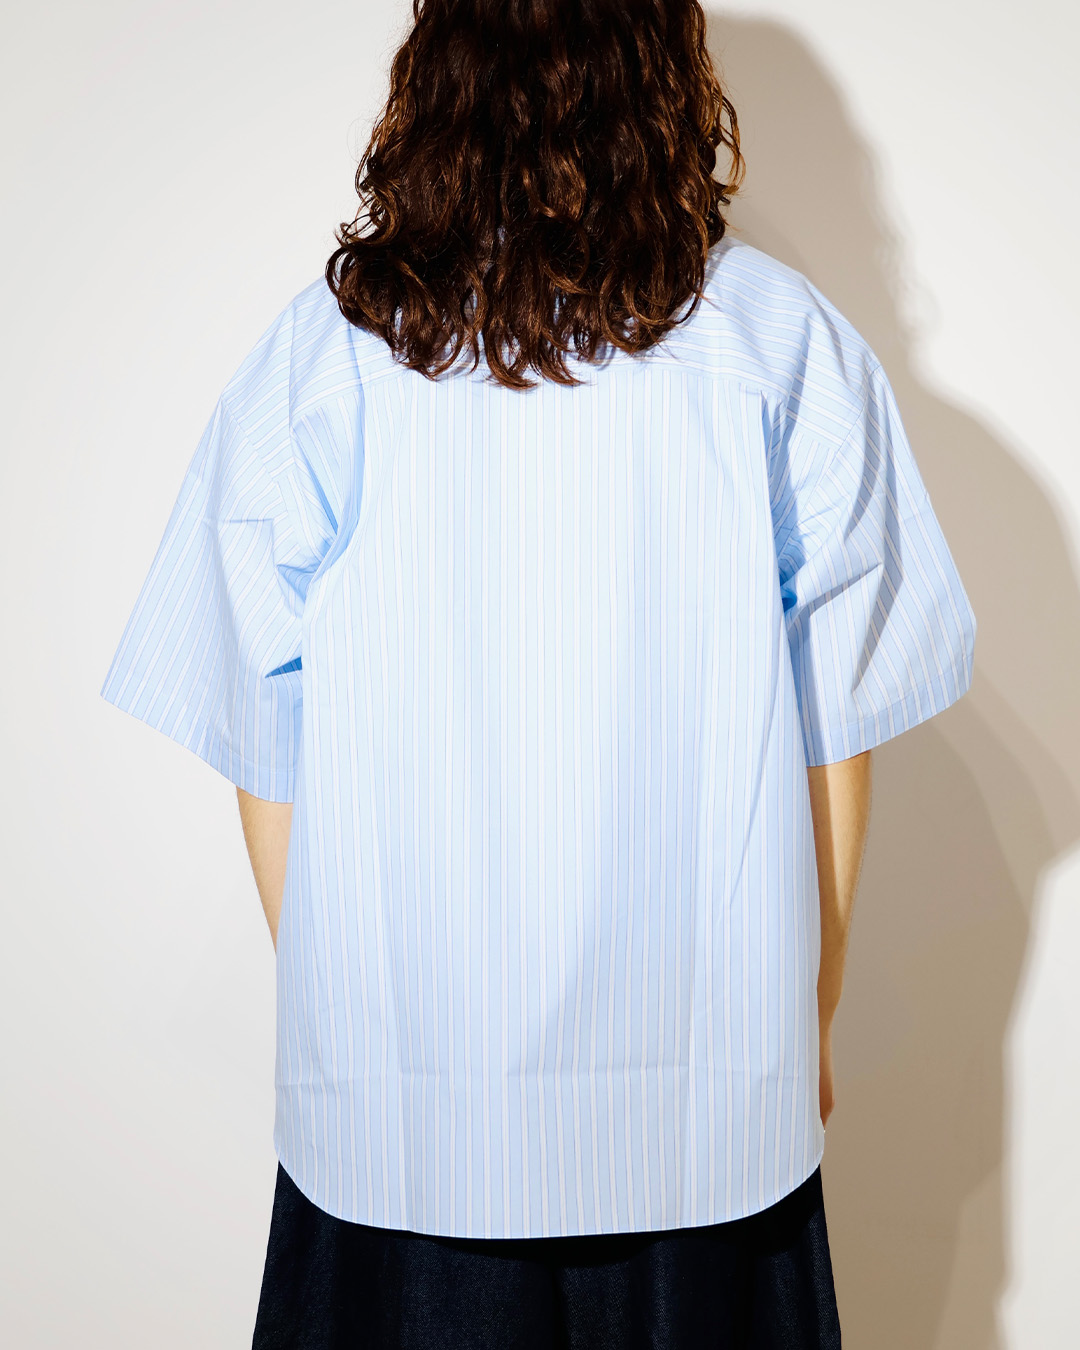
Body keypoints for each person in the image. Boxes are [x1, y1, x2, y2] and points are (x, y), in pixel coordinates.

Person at [99, 1, 977, 1345]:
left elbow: (262, 732)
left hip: (403, 1132)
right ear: (663, 78)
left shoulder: (331, 354)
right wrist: (804, 1013)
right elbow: (834, 726)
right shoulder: (778, 342)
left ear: (440, 78)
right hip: (706, 1110)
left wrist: (357, 1026)